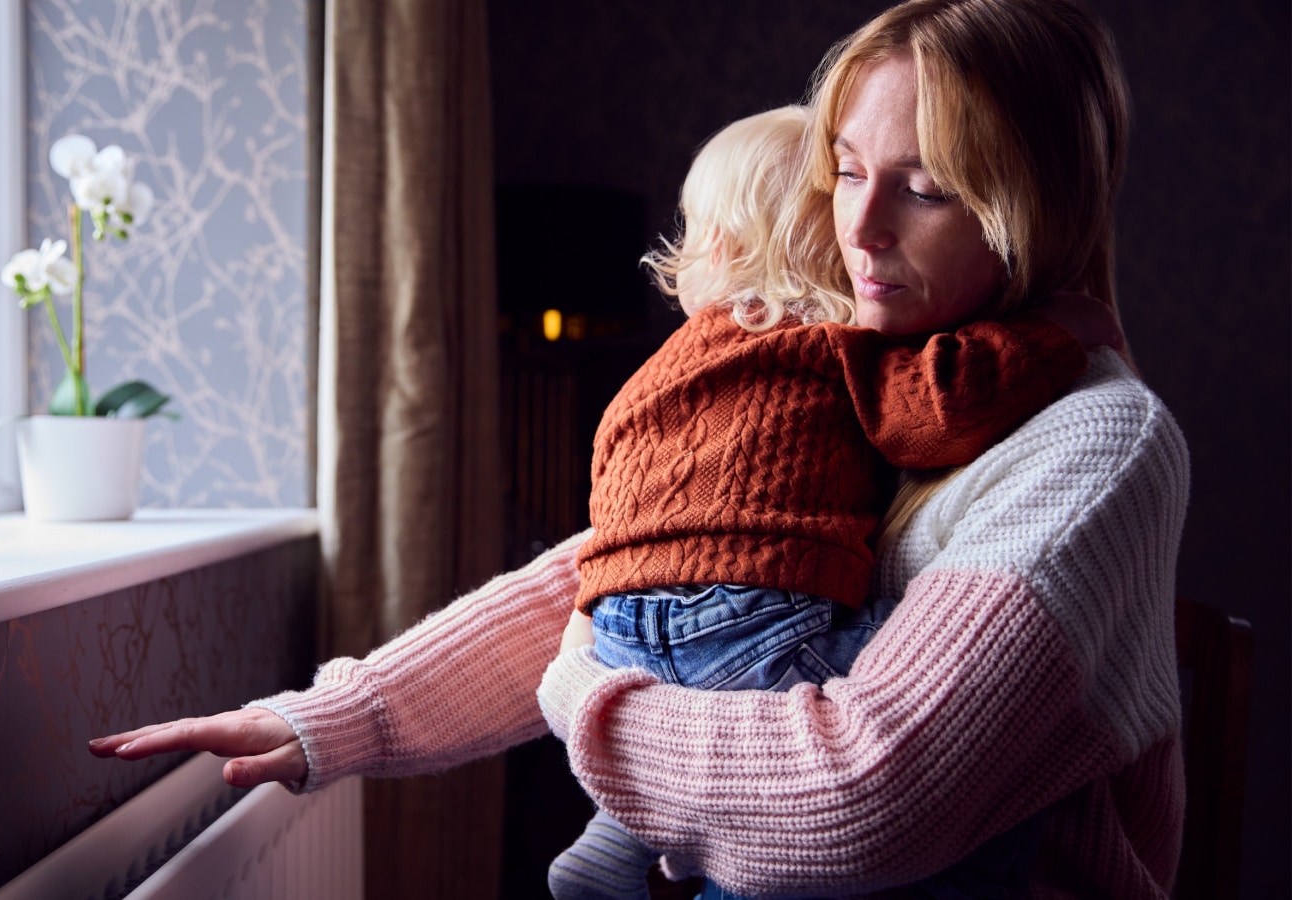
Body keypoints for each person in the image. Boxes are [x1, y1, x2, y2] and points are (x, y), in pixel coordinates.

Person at [91, 1, 1188, 896]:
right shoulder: (874, 365)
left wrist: (582, 696)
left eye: (927, 186)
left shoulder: (1092, 441)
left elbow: (853, 802)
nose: (858, 230)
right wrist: (333, 718)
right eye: (847, 170)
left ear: (1029, 209)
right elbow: (633, 571)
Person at [545, 104, 1100, 900]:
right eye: (847, 183)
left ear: (720, 248)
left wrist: (592, 635)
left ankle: (621, 827)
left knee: (695, 692)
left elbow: (617, 505)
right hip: (745, 612)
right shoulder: (825, 342)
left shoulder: (661, 369)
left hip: (615, 627)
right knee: (983, 739)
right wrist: (1058, 334)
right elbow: (934, 412)